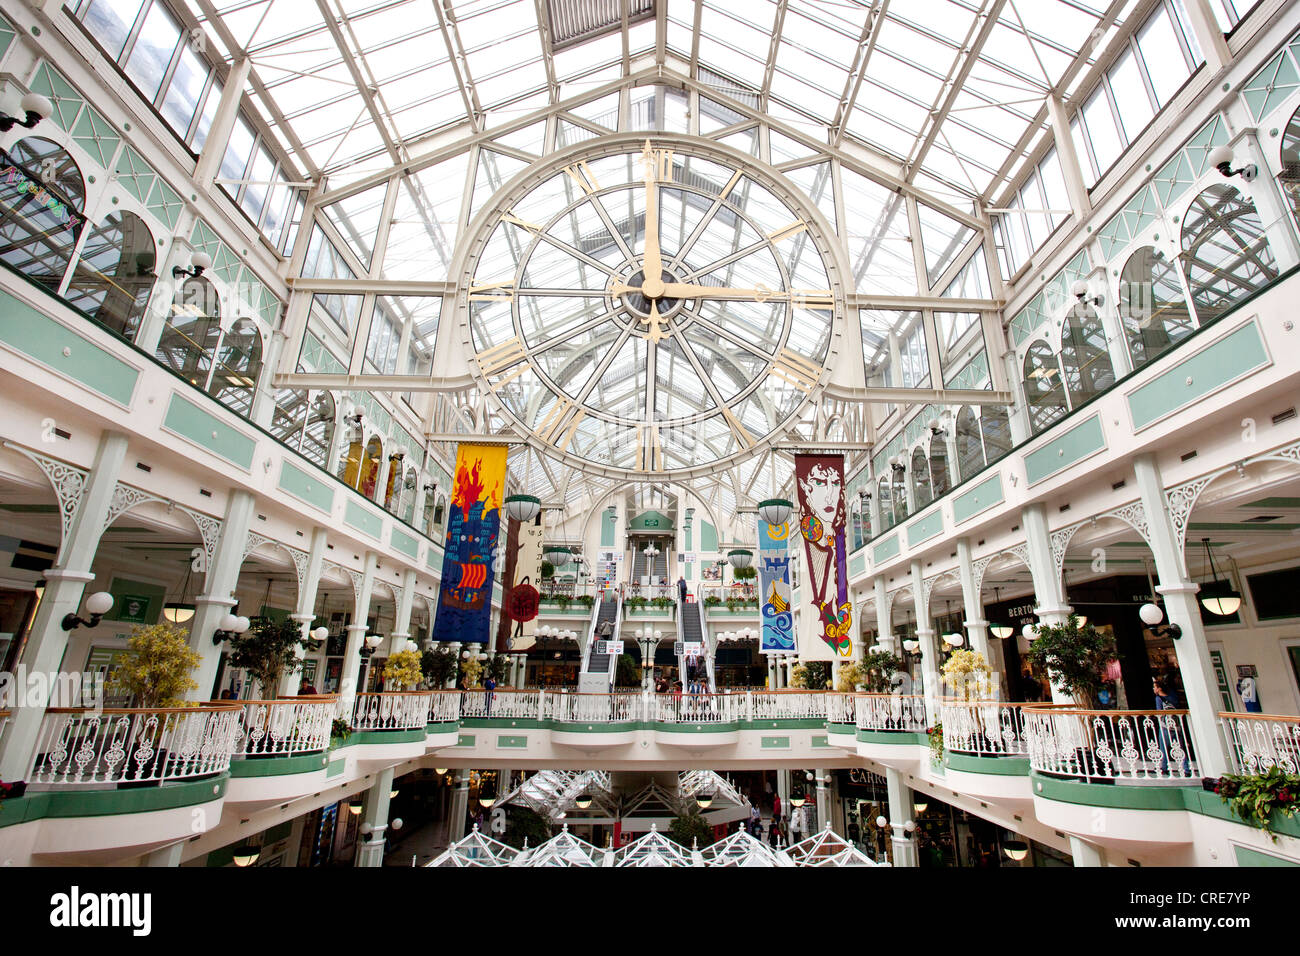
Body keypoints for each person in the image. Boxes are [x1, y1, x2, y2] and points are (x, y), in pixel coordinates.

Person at [1153, 678, 1190, 775]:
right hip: (1176, 726)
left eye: (1155, 687)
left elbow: (1159, 712)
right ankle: (1186, 768)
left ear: (1159, 689)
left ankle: (1164, 767)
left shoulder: (1158, 699)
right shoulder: (1172, 698)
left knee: (1164, 747)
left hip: (1165, 726)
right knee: (1180, 748)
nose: (1154, 689)